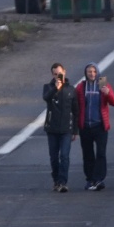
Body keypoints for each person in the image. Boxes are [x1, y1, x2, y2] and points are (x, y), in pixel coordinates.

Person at [74, 63, 114, 191]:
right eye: (89, 72)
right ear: (86, 73)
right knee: (87, 154)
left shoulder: (102, 83)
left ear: (97, 72)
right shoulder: (81, 87)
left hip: (100, 126)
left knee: (101, 153)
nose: (92, 74)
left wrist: (108, 93)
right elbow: (75, 105)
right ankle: (90, 179)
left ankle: (99, 179)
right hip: (85, 126)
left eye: (94, 71)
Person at [42, 62, 77, 192]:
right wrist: (55, 89)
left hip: (66, 129)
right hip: (52, 128)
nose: (58, 77)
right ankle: (56, 180)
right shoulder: (48, 87)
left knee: (65, 155)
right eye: (55, 74)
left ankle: (63, 182)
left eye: (60, 74)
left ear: (65, 72)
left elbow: (76, 111)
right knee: (54, 157)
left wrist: (75, 130)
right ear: (52, 75)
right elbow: (46, 98)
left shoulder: (71, 90)